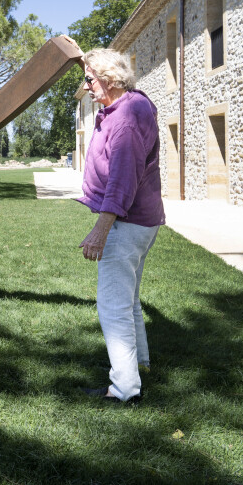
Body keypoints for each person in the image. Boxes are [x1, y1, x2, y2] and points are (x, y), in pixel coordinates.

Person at [77, 48, 165, 403]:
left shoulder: (127, 115)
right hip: (143, 222)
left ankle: (125, 388)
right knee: (128, 301)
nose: (86, 86)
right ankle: (140, 364)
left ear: (109, 80)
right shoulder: (125, 107)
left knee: (112, 305)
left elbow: (122, 180)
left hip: (126, 223)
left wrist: (100, 230)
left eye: (89, 78)